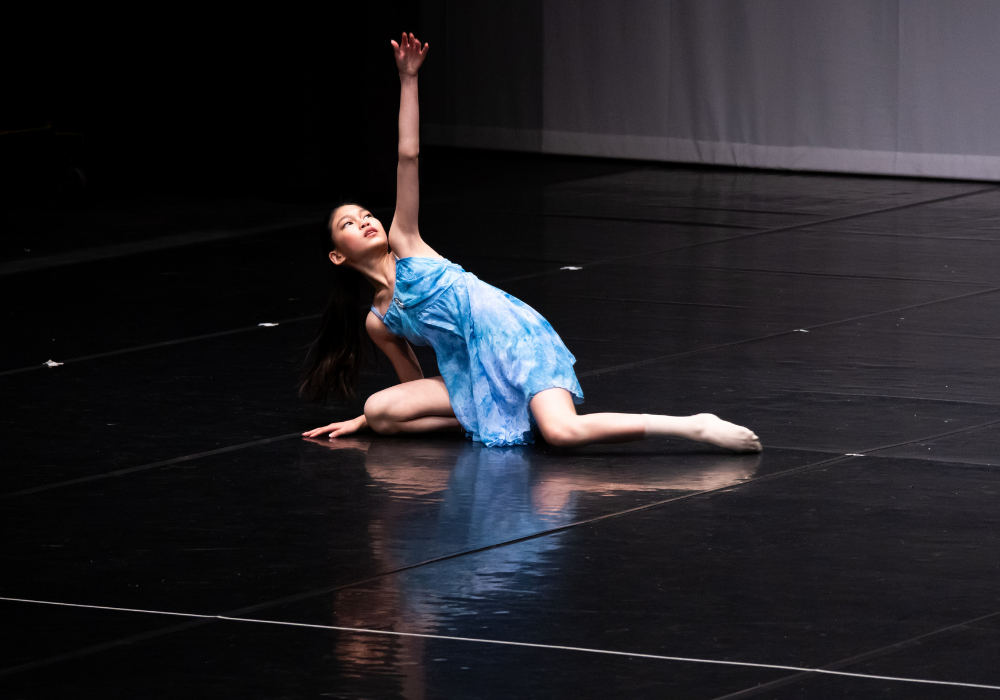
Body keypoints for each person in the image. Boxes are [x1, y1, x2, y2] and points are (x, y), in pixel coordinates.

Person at [301, 33, 761, 452]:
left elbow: (408, 155)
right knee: (382, 412)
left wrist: (408, 79)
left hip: (513, 338)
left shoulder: (406, 240)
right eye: (348, 223)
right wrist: (366, 418)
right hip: (470, 371)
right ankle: (498, 417)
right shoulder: (380, 321)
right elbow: (413, 388)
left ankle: (693, 425)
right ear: (337, 255)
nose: (365, 221)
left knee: (563, 433)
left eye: (365, 214)